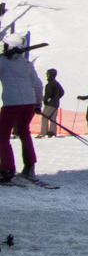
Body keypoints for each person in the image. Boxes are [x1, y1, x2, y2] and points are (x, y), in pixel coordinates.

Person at [0, 34, 43, 182]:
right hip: (29, 103)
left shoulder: (3, 62)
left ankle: (6, 170)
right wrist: (38, 104)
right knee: (24, 132)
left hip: (12, 103)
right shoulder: (26, 63)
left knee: (2, 136)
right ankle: (29, 166)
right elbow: (38, 85)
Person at [39, 68, 64, 138]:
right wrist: (56, 98)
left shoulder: (50, 84)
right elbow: (62, 92)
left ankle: (43, 133)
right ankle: (52, 133)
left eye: (47, 74)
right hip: (56, 104)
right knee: (53, 119)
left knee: (44, 117)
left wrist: (46, 100)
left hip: (50, 104)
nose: (47, 76)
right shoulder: (57, 84)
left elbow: (49, 93)